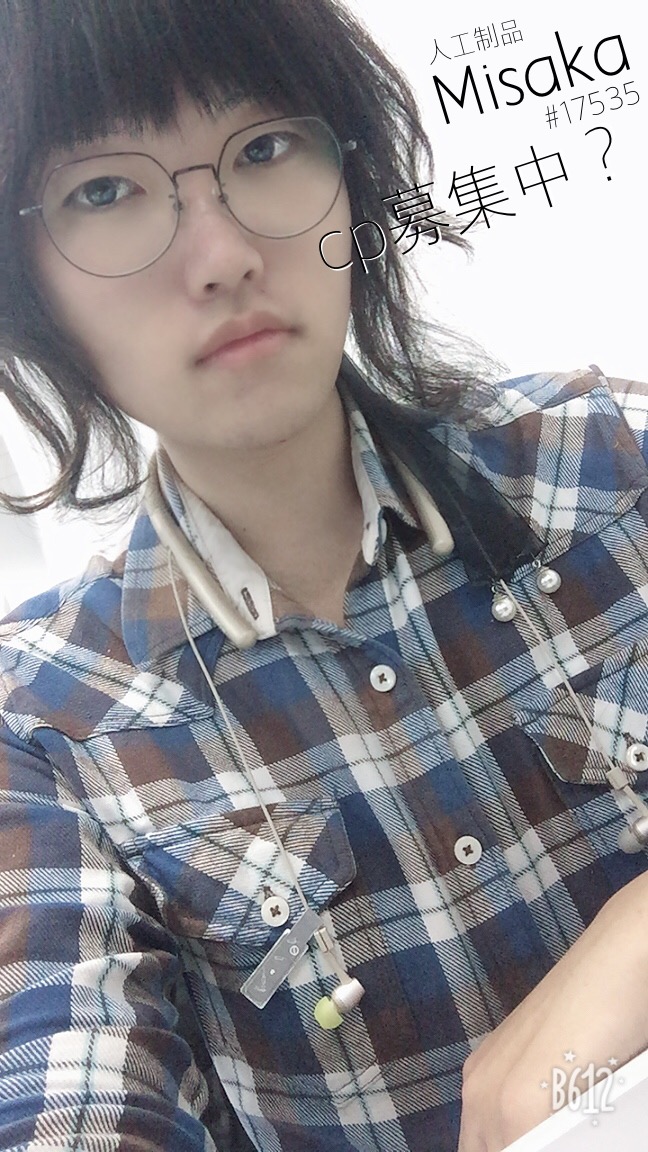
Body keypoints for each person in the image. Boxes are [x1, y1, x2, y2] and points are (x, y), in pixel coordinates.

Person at [1, 2, 647, 1151]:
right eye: (104, 191)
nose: (224, 256)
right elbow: (66, 1086)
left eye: (263, 149)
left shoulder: (607, 464)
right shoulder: (48, 725)